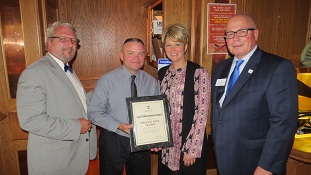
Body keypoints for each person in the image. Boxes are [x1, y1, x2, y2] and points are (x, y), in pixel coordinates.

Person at [211, 13, 298, 175]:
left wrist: (267, 166)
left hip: (255, 163)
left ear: (255, 34)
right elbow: (220, 111)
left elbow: (284, 123)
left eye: (242, 31)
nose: (235, 38)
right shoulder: (220, 69)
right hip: (223, 158)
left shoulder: (277, 67)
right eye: (230, 34)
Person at [16, 22, 97, 175]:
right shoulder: (35, 72)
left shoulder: (66, 68)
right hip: (54, 163)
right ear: (49, 42)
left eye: (73, 41)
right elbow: (30, 120)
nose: (70, 44)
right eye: (63, 39)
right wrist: (75, 127)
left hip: (72, 158)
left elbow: (72, 103)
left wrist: (101, 91)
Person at [87, 38, 160, 175]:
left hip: (142, 141)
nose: (136, 58)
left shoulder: (152, 82)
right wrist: (118, 125)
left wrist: (156, 139)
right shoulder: (107, 80)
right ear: (121, 56)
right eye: (131, 53)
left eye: (140, 54)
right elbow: (93, 112)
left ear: (145, 56)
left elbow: (158, 113)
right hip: (114, 138)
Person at [157, 24, 211, 175]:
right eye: (168, 45)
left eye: (177, 44)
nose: (173, 49)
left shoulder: (198, 72)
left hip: (188, 144)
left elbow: (201, 113)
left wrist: (192, 149)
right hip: (167, 146)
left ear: (185, 46)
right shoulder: (162, 73)